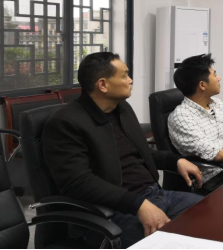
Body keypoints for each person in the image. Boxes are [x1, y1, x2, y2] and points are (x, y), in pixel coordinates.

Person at [43, 52, 203, 248]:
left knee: (211, 215)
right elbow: (78, 182)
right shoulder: (66, 122)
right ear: (103, 85)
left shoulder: (122, 109)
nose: (130, 80)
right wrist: (138, 204)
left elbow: (140, 154)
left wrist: (175, 160)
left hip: (155, 196)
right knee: (176, 243)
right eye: (125, 75)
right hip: (112, 212)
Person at [169, 54, 223, 184]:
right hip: (219, 176)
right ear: (202, 85)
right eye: (214, 75)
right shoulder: (181, 117)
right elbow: (215, 153)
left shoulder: (217, 104)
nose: (219, 78)